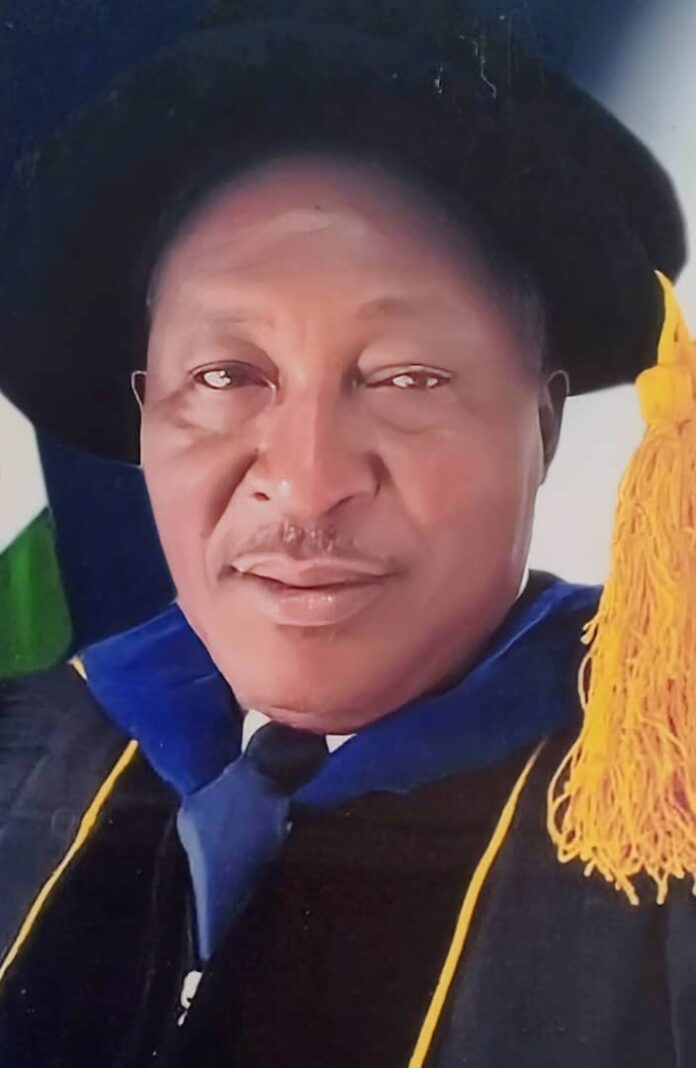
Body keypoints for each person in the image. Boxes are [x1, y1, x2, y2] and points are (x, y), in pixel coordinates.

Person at [0, 5, 694, 1066]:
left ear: (544, 426)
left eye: (408, 378)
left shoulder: (663, 814)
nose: (309, 483)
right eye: (225, 375)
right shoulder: (30, 751)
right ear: (144, 416)